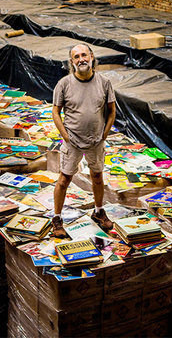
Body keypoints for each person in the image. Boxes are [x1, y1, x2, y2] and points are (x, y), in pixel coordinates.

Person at [50, 44, 116, 238]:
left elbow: (112, 111)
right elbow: (56, 111)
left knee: (97, 176)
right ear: (72, 62)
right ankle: (56, 218)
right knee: (64, 180)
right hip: (72, 142)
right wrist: (65, 135)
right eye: (76, 57)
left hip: (96, 141)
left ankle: (98, 212)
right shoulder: (64, 84)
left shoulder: (104, 82)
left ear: (92, 56)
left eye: (84, 55)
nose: (81, 59)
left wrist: (105, 133)